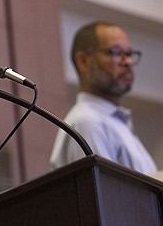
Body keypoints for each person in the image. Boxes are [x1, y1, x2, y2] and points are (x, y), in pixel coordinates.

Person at [50, 21, 157, 174]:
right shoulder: (88, 122)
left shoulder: (115, 122)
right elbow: (103, 195)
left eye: (129, 54)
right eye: (116, 52)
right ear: (84, 62)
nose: (128, 61)